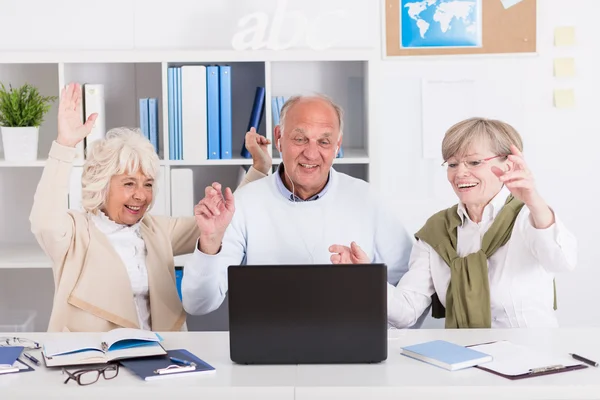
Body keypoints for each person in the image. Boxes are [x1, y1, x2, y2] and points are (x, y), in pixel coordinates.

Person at [28, 82, 266, 332]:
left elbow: (221, 220)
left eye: (148, 184)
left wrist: (259, 168)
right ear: (102, 185)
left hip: (159, 359)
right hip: (95, 364)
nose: (141, 195)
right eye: (129, 183)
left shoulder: (155, 229)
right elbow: (44, 220)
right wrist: (65, 145)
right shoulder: (75, 232)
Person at [181, 94, 416, 320]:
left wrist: (367, 284)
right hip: (267, 348)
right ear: (279, 138)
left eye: (324, 141)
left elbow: (407, 294)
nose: (311, 153)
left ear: (337, 145)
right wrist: (210, 243)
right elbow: (198, 304)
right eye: (300, 139)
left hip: (352, 345)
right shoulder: (245, 202)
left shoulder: (367, 199)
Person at [342, 117, 577, 329]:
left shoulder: (529, 217)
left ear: (508, 165)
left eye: (474, 162)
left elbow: (562, 261)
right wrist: (365, 277)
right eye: (452, 164)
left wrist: (533, 198)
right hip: (467, 362)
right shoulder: (437, 231)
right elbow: (406, 312)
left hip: (534, 362)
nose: (460, 173)